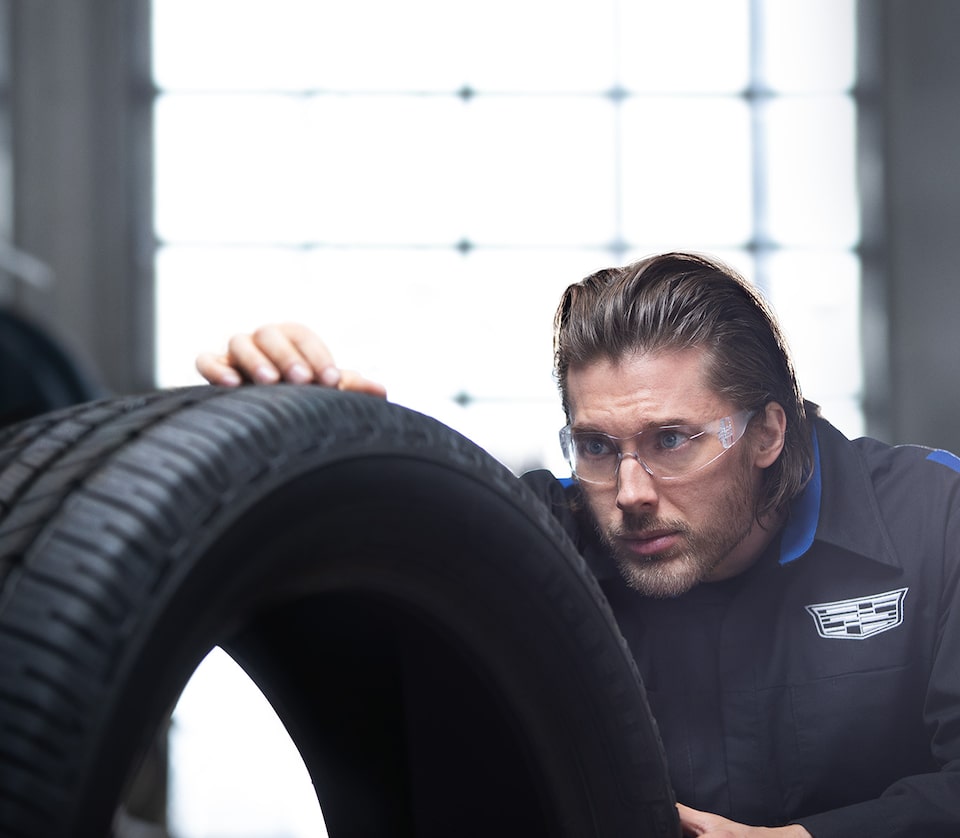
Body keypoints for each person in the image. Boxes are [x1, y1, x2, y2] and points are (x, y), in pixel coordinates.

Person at [197, 251, 960, 838]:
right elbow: (356, 632)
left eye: (671, 440)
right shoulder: (537, 540)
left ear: (766, 432)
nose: (629, 492)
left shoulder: (934, 516)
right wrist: (309, 443)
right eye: (596, 446)